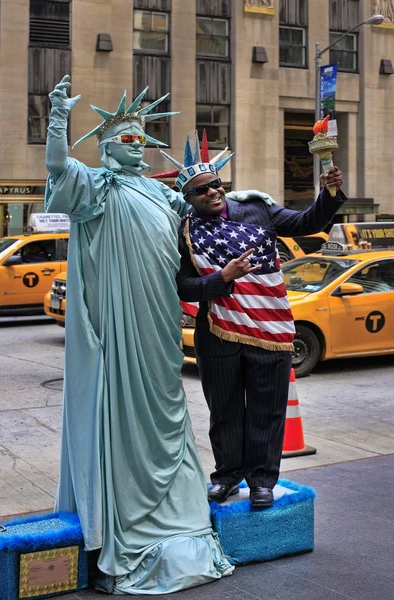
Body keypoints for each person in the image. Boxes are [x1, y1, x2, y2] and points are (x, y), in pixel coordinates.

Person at [44, 76, 278, 594]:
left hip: (160, 322)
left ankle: (177, 503)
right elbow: (58, 169)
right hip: (120, 321)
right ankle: (131, 510)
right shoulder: (96, 186)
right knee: (127, 407)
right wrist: (57, 116)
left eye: (140, 137)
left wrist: (244, 197)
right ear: (105, 145)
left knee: (168, 404)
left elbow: (198, 204)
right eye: (124, 137)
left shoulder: (158, 192)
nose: (133, 144)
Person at [157, 131, 345, 509]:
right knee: (224, 411)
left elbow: (308, 221)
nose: (212, 191)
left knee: (266, 409)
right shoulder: (184, 231)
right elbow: (182, 285)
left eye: (215, 184)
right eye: (201, 190)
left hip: (269, 328)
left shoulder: (259, 209)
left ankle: (262, 481)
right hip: (219, 332)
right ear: (189, 200)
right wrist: (222, 278)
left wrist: (328, 195)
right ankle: (227, 477)